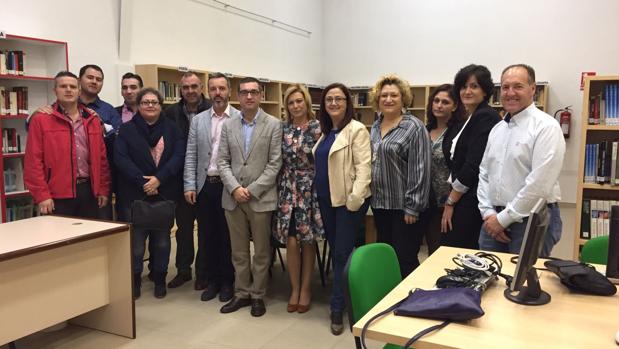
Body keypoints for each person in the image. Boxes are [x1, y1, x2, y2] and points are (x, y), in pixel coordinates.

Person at [478, 64, 565, 256]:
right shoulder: (497, 129)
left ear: (533, 89)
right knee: (490, 279)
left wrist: (503, 219)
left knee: (523, 282)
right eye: (505, 87)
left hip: (531, 219)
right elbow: (484, 173)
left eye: (518, 86)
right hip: (493, 218)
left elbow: (539, 184)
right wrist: (489, 214)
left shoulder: (546, 127)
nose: (510, 93)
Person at [217, 77, 282, 317]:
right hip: (233, 198)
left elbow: (275, 164)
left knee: (262, 252)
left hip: (260, 199)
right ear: (238, 96)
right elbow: (222, 161)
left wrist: (252, 190)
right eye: (244, 92)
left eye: (254, 92)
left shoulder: (274, 124)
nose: (249, 97)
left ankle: (258, 295)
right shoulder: (228, 125)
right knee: (239, 251)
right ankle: (242, 293)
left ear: (261, 95)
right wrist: (234, 188)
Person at [114, 88, 185, 299]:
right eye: (145, 102)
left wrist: (159, 179)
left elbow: (179, 156)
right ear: (138, 105)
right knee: (136, 245)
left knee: (162, 241)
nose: (150, 105)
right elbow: (120, 159)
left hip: (164, 193)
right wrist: (143, 182)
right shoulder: (126, 130)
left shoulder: (172, 129)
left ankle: (160, 279)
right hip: (134, 196)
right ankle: (135, 279)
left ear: (161, 105)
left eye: (154, 102)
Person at [312, 83, 371, 335]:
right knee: (337, 250)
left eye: (339, 99)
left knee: (340, 253)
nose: (334, 103)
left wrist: (354, 201)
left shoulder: (356, 130)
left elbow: (364, 168)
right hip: (327, 201)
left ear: (348, 103)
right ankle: (346, 296)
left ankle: (338, 307)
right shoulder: (326, 132)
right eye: (329, 100)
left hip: (347, 203)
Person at [184, 73, 240, 303]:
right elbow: (191, 154)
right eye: (213, 89)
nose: (218, 93)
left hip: (230, 186)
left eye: (222, 89)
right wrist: (189, 184)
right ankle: (212, 281)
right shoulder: (198, 120)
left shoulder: (238, 118)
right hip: (206, 184)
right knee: (207, 236)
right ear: (208, 91)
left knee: (228, 237)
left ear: (229, 91)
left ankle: (228, 281)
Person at [369, 75, 431, 278]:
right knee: (386, 258)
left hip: (404, 208)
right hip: (380, 204)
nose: (388, 99)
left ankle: (410, 301)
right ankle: (389, 300)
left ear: (403, 98)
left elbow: (420, 168)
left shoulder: (414, 127)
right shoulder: (375, 127)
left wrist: (413, 206)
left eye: (393, 95)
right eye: (383, 95)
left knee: (404, 258)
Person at [24, 71, 110, 218]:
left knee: (88, 238)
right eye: (63, 86)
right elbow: (33, 161)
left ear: (79, 91)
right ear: (55, 91)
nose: (68, 90)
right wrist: (42, 195)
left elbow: (101, 159)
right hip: (56, 193)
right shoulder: (41, 120)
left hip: (89, 191)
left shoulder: (92, 120)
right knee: (61, 238)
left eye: (72, 86)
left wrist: (103, 189)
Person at [273, 84, 324, 314]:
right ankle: (294, 288)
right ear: (287, 106)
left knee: (308, 240)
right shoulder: (282, 129)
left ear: (306, 103)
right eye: (291, 102)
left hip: (309, 189)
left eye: (299, 101)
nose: (295, 106)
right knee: (291, 241)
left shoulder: (318, 128)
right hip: (287, 188)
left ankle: (306, 289)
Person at [441, 64, 501, 249]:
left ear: (485, 91)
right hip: (464, 195)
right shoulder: (468, 118)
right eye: (463, 86)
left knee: (455, 250)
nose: (467, 91)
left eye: (474, 86)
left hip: (471, 199)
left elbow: (472, 165)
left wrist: (451, 201)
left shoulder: (486, 117)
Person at [164, 71, 212, 290]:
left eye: (194, 86)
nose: (190, 91)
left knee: (205, 229)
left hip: (206, 179)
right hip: (178, 181)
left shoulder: (212, 109)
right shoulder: (170, 112)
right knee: (183, 229)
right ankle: (183, 270)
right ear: (180, 89)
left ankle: (203, 271)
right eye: (186, 87)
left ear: (201, 87)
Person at [78, 64, 121, 220]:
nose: (94, 82)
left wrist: (101, 127)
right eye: (90, 77)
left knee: (101, 225)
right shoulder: (66, 105)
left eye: (99, 79)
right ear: (79, 80)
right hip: (70, 180)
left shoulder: (109, 110)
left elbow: (118, 140)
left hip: (100, 178)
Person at [425, 84, 463, 255]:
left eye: (445, 102)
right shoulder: (424, 130)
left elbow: (462, 168)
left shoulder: (458, 132)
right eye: (436, 101)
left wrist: (451, 201)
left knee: (449, 253)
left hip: (451, 203)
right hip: (427, 204)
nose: (439, 105)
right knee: (432, 251)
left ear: (454, 106)